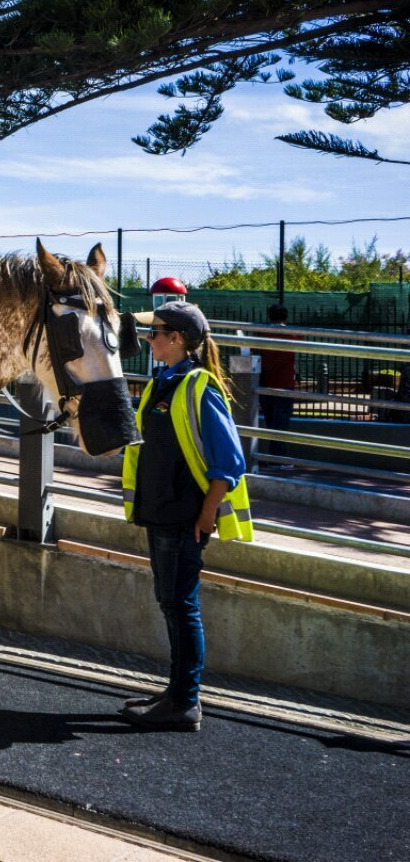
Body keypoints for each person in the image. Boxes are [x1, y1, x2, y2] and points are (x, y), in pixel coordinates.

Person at [120, 300, 254, 732]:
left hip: (183, 516)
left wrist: (207, 513)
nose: (148, 339)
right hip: (162, 512)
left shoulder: (199, 386)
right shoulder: (165, 381)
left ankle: (184, 702)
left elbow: (229, 462)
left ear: (176, 338)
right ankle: (176, 692)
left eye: (155, 332)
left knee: (180, 606)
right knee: (171, 603)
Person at [252, 304, 298, 464]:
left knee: (271, 422)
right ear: (286, 317)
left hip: (266, 383)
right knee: (281, 424)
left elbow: (252, 349)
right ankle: (278, 459)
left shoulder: (261, 333)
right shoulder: (293, 334)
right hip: (285, 383)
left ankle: (273, 457)